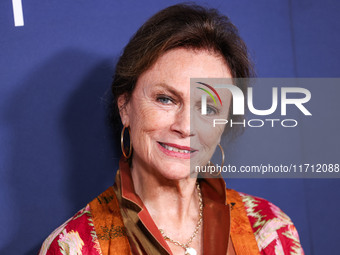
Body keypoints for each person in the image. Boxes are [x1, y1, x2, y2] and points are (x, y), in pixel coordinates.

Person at [39, 3, 304, 255]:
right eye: (166, 99)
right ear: (125, 107)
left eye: (209, 109)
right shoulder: (74, 246)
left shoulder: (270, 230)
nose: (186, 127)